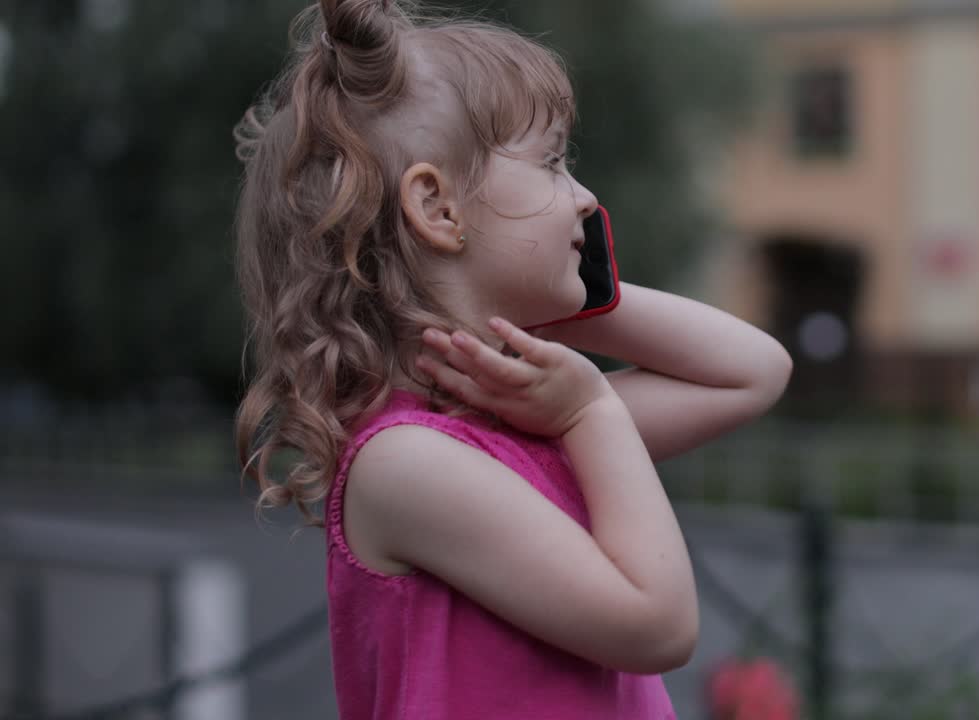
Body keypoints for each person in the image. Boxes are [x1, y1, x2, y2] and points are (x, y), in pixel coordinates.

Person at [232, 1, 793, 717]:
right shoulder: (408, 462)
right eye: (554, 163)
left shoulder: (524, 413)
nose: (585, 198)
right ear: (437, 209)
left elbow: (754, 369)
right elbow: (658, 626)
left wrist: (568, 290)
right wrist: (590, 410)